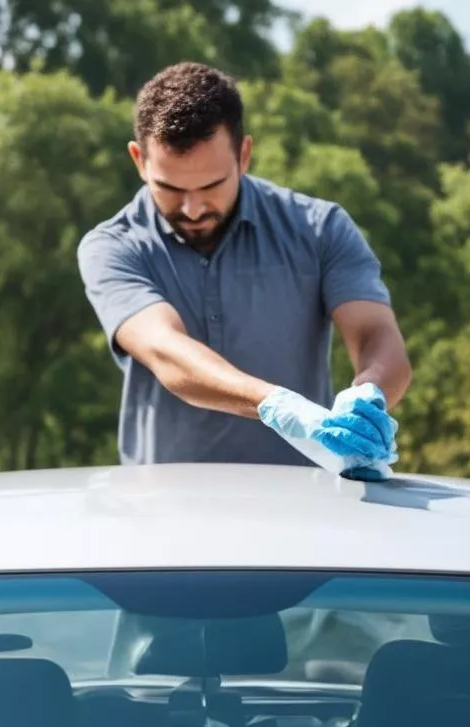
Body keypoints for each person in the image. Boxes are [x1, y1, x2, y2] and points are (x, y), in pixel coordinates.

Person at [77, 61, 412, 478]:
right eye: (171, 188)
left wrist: (369, 394)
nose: (193, 209)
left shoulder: (320, 229)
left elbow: (376, 334)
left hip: (302, 507)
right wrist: (276, 405)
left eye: (212, 186)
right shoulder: (111, 246)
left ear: (245, 155)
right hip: (163, 514)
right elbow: (166, 350)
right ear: (138, 160)